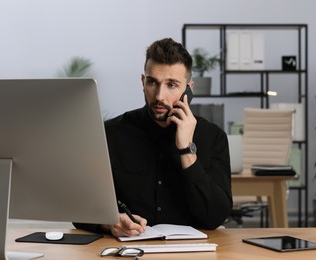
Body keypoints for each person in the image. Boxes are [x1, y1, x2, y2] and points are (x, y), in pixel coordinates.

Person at [73, 38, 232, 237]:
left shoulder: (212, 137)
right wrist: (110, 223)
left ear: (188, 88)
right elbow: (80, 208)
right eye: (152, 82)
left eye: (172, 85)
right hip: (125, 250)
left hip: (192, 252)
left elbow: (215, 217)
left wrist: (186, 149)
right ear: (143, 82)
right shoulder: (110, 134)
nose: (159, 96)